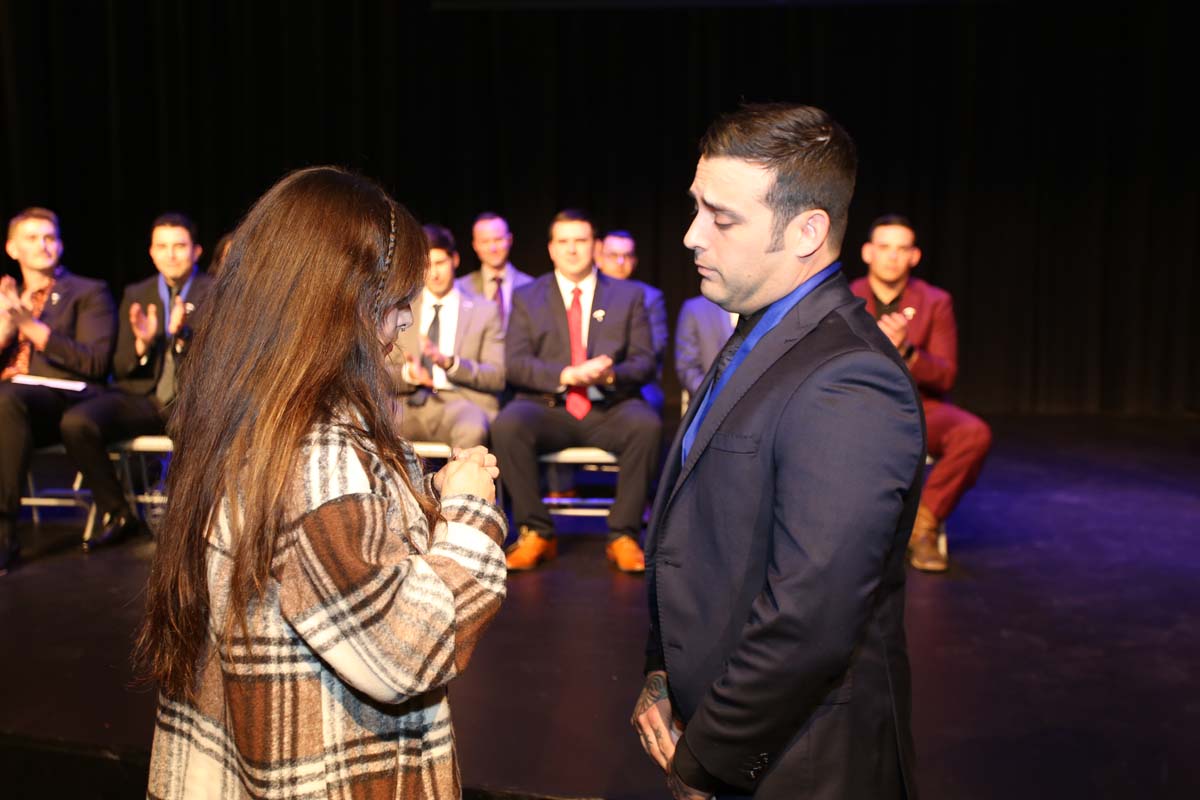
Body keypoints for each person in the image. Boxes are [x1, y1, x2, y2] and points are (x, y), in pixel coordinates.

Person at [135, 167, 507, 798]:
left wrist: (426, 501)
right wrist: (469, 514)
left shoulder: (246, 411)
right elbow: (404, 652)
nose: (404, 323)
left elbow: (326, 566)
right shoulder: (319, 451)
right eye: (396, 302)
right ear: (340, 302)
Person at [633, 105, 924, 799]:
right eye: (696, 208)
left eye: (722, 218)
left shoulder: (851, 379)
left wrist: (707, 757)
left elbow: (811, 618)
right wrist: (661, 673)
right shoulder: (761, 331)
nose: (691, 235)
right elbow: (698, 539)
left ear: (807, 232)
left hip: (801, 766)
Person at [490, 209, 660, 573]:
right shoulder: (527, 296)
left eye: (580, 241)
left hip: (609, 406)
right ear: (551, 249)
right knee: (507, 425)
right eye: (563, 241)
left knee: (646, 426)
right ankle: (536, 531)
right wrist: (567, 374)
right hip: (548, 406)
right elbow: (515, 363)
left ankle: (624, 535)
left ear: (595, 247)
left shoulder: (628, 295)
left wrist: (608, 376)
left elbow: (645, 361)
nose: (572, 249)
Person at [59, 213, 214, 551]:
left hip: (191, 401)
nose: (170, 254)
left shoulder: (215, 291)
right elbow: (119, 366)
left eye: (179, 246)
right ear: (151, 252)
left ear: (196, 251)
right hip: (144, 397)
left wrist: (183, 338)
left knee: (196, 426)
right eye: (162, 246)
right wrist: (142, 346)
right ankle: (117, 512)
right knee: (77, 422)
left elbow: (219, 363)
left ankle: (189, 522)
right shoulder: (137, 293)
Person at [851, 214, 992, 572]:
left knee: (973, 433)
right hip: (859, 408)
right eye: (884, 247)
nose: (892, 256)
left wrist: (908, 351)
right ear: (867, 252)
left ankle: (922, 526)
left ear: (914, 256)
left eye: (902, 249)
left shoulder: (934, 301)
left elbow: (945, 376)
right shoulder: (846, 298)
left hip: (917, 408)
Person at [1, 207, 116, 575]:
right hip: (10, 406)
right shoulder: (5, 298)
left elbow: (95, 363)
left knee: (7, 398)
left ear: (61, 245)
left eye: (49, 237)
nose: (43, 245)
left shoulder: (88, 292)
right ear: (12, 249)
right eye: (32, 238)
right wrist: (7, 327)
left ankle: (3, 535)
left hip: (63, 400)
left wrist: (32, 328)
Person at [386, 223, 505, 449]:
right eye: (426, 265)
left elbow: (496, 376)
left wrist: (451, 363)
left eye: (440, 263)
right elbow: (377, 371)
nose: (434, 273)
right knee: (365, 422)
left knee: (471, 428)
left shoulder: (484, 311)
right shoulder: (401, 309)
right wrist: (408, 374)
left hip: (459, 403)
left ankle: (463, 475)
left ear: (455, 260)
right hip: (407, 404)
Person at [596, 230, 668, 413]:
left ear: (634, 261)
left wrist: (614, 372)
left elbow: (655, 347)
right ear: (599, 259)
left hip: (636, 380)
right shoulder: (587, 292)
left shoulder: (650, 297)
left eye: (627, 256)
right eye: (613, 255)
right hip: (590, 374)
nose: (621, 262)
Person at [456, 212, 533, 331]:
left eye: (498, 239)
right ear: (475, 245)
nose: (492, 248)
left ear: (509, 240)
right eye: (485, 242)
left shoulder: (530, 286)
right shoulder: (461, 288)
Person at [674, 294, 735, 400]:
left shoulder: (762, 306)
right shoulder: (695, 308)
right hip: (711, 402)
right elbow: (687, 367)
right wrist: (711, 396)